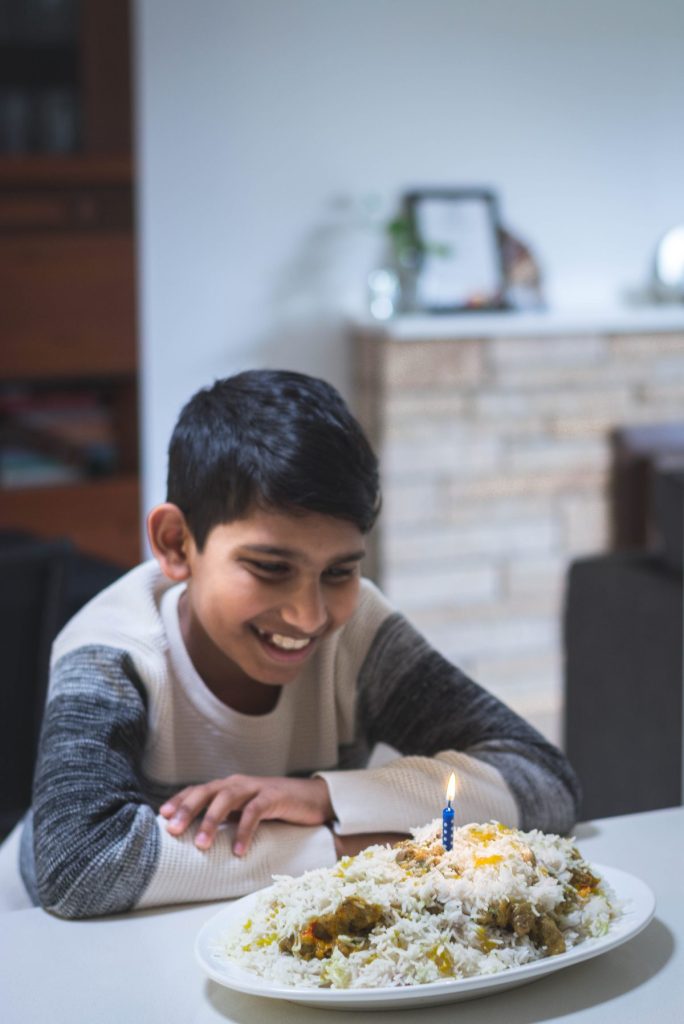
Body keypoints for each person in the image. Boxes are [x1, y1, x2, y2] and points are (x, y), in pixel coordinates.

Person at [20, 370, 580, 919]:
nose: (309, 615)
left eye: (339, 571)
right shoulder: (111, 650)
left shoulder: (358, 632)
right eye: (269, 567)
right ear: (176, 543)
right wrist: (346, 846)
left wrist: (324, 798)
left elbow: (542, 780)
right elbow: (77, 864)